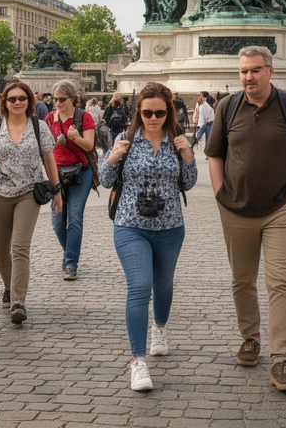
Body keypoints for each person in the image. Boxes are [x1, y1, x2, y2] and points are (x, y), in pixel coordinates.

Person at [206, 45, 286, 392]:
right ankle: (250, 338)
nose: (248, 77)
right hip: (235, 208)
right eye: (243, 71)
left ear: (270, 71)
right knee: (242, 280)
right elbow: (215, 154)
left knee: (280, 282)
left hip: (281, 209)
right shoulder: (227, 106)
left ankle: (282, 358)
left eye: (255, 70)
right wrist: (220, 193)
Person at [100, 81, 198, 392]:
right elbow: (104, 180)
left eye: (159, 113)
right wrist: (112, 158)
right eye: (147, 113)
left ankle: (160, 329)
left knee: (163, 284)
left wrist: (188, 157)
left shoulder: (178, 141)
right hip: (130, 225)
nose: (153, 118)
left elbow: (189, 183)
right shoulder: (125, 140)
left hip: (170, 226)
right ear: (138, 113)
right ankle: (138, 361)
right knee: (140, 286)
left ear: (169, 112)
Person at [0, 81, 62, 325]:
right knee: (0, 249)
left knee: (20, 246)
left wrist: (57, 191)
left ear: (29, 101)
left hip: (29, 192)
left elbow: (49, 160)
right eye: (12, 99)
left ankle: (18, 302)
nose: (17, 102)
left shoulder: (39, 127)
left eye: (22, 98)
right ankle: (9, 286)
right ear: (5, 102)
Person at [46, 80, 97, 281]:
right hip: (56, 172)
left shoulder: (84, 117)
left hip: (80, 172)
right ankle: (69, 251)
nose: (57, 103)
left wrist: (74, 137)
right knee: (57, 221)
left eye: (62, 99)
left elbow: (89, 145)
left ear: (72, 99)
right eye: (55, 99)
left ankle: (71, 263)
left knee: (74, 217)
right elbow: (44, 148)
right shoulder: (49, 118)